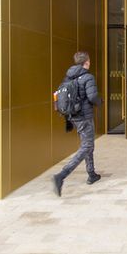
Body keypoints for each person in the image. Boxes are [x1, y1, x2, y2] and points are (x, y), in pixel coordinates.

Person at [53, 51, 102, 196]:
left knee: (87, 144)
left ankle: (91, 174)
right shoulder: (88, 77)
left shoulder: (68, 77)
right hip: (84, 117)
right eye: (89, 60)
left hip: (73, 116)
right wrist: (100, 101)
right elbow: (92, 96)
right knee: (87, 145)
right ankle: (61, 175)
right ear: (86, 62)